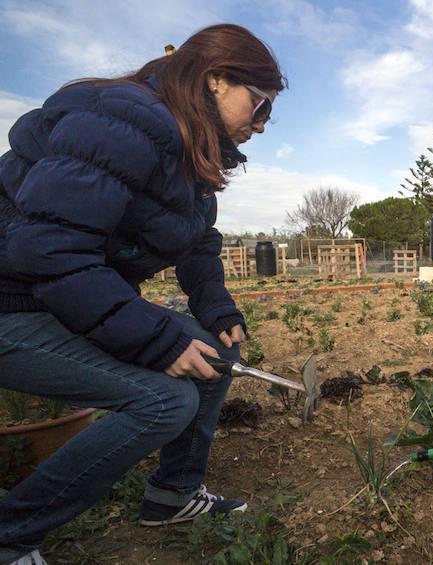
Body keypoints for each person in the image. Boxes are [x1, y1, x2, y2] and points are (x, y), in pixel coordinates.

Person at [0, 24, 285, 564]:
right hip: (14, 301)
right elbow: (49, 250)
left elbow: (197, 244)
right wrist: (157, 344)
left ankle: (173, 495)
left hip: (59, 298)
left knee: (217, 351)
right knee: (164, 400)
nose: (262, 125)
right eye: (261, 105)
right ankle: (11, 535)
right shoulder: (127, 120)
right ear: (217, 79)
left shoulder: (193, 148)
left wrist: (217, 307)